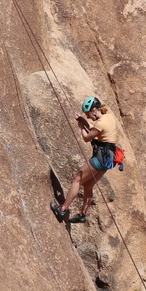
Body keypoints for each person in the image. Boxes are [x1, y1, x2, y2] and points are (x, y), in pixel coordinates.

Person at [51, 96, 119, 224]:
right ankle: (82, 215)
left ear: (94, 110)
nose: (88, 117)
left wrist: (81, 127)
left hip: (100, 156)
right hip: (109, 157)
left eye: (88, 115)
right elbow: (96, 131)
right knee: (88, 185)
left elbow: (87, 137)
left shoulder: (100, 123)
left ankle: (63, 208)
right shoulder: (108, 117)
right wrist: (82, 120)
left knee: (77, 179)